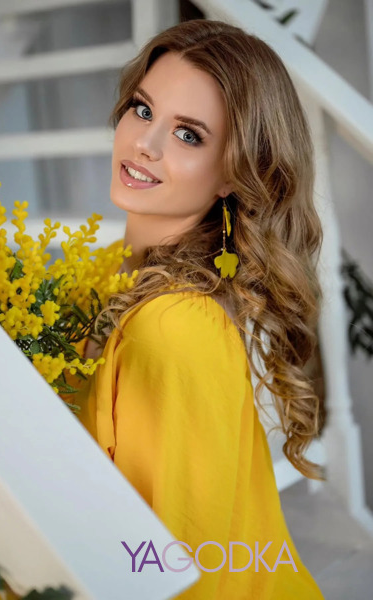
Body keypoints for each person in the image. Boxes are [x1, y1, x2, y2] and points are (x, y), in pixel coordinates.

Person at [71, 18, 326, 599]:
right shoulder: (110, 275)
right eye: (142, 109)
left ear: (234, 174)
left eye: (188, 135)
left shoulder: (175, 327)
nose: (146, 143)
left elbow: (183, 569)